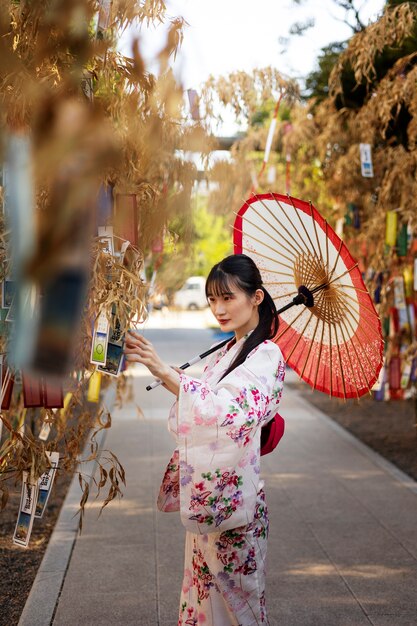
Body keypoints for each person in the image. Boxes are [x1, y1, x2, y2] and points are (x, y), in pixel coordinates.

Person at [124, 254, 285, 626]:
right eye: (213, 299)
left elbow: (228, 411)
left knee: (236, 607)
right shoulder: (230, 352)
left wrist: (167, 372)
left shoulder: (267, 355)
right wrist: (169, 378)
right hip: (211, 498)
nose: (218, 308)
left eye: (227, 298)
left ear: (256, 297)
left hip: (236, 507)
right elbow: (200, 407)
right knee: (202, 598)